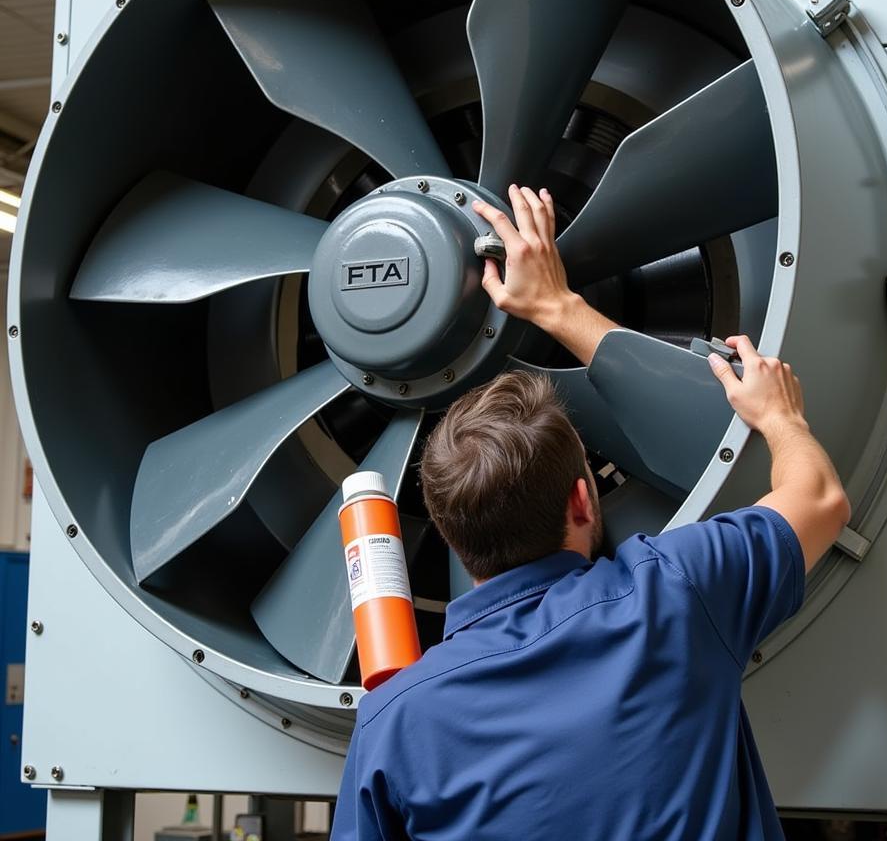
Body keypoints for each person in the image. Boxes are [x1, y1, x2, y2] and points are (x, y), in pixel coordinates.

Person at [330, 184, 850, 841]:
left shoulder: (392, 722)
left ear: (452, 537)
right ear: (583, 498)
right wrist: (777, 417)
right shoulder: (674, 593)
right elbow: (819, 498)